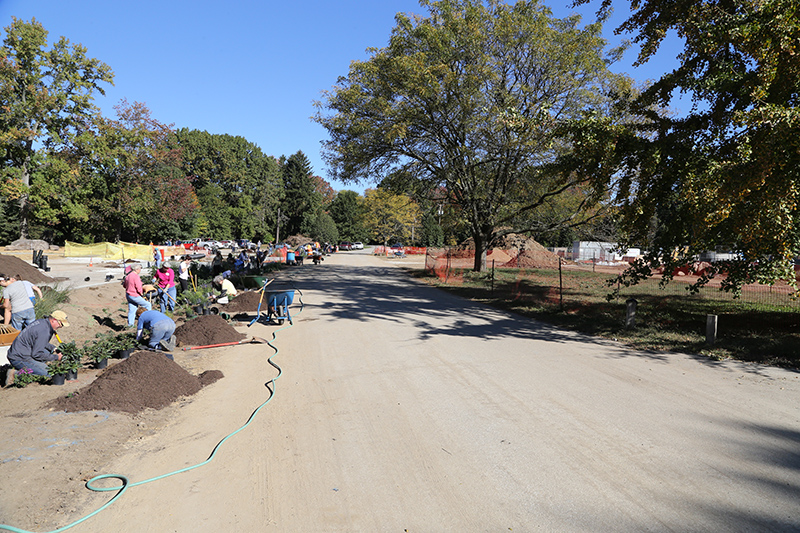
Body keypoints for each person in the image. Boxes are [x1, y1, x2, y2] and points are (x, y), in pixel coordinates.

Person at [5, 310, 70, 384]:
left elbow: (40, 341)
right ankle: (15, 374)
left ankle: (38, 366)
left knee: (47, 352)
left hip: (22, 351)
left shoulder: (42, 323)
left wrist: (53, 348)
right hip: (19, 358)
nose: (61, 327)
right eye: (61, 324)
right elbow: (37, 354)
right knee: (49, 373)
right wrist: (56, 357)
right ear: (54, 320)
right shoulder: (44, 331)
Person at [123, 263, 151, 327]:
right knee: (148, 304)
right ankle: (149, 320)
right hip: (134, 295)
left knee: (132, 310)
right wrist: (141, 294)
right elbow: (138, 287)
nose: (140, 270)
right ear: (136, 269)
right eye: (140, 269)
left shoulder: (128, 276)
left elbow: (124, 286)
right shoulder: (136, 276)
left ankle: (130, 325)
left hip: (128, 295)